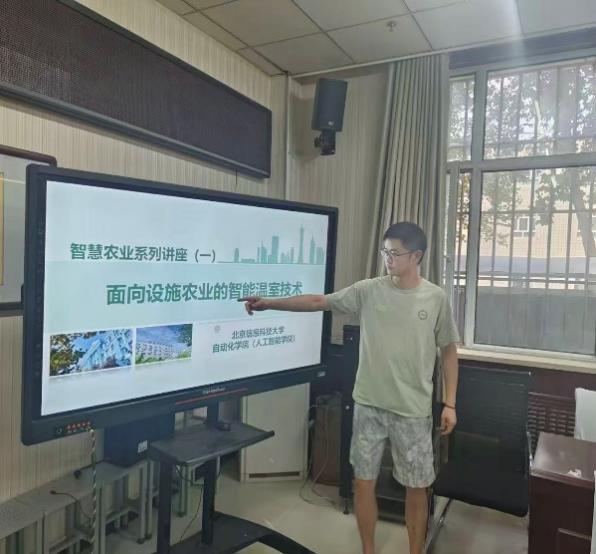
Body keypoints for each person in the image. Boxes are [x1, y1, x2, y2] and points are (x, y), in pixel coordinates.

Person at [240, 222, 459, 554]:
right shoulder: (368, 290)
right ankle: (368, 549)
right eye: (385, 252)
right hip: (368, 404)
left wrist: (450, 403)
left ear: (416, 256)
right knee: (362, 482)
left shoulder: (435, 298)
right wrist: (269, 303)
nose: (388, 259)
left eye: (395, 253)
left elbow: (449, 351)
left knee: (417, 487)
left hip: (413, 410)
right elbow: (319, 301)